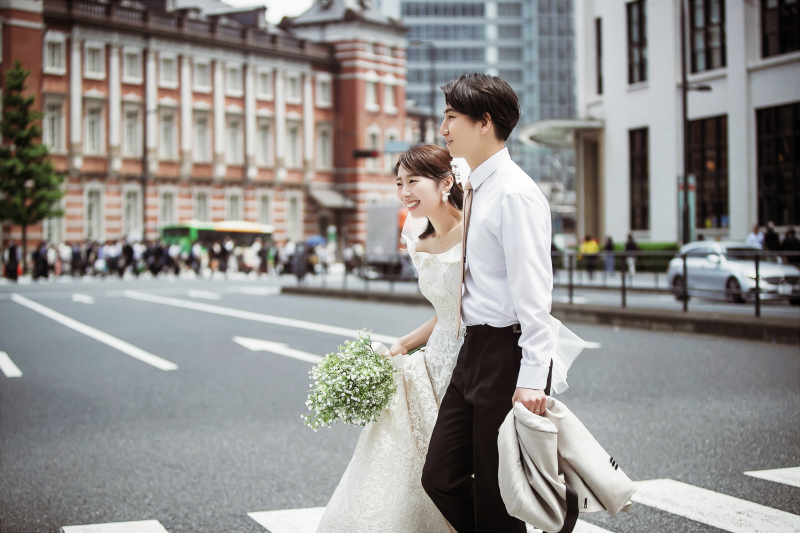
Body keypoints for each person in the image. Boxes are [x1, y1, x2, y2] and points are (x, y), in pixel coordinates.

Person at [421, 73, 583, 533]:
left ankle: (544, 514)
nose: (443, 128)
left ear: (484, 122)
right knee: (441, 478)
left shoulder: (514, 193)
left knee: (496, 494)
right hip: (473, 350)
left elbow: (535, 295)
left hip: (507, 352)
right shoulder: (477, 186)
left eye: (451, 117)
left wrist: (533, 376)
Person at [317, 144, 465, 532]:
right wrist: (405, 342)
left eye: (413, 181)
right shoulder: (419, 236)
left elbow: (476, 310)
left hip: (472, 361)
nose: (404, 192)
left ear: (446, 182)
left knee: (453, 468)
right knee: (410, 458)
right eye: (399, 183)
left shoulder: (476, 231)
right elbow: (446, 310)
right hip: (435, 360)